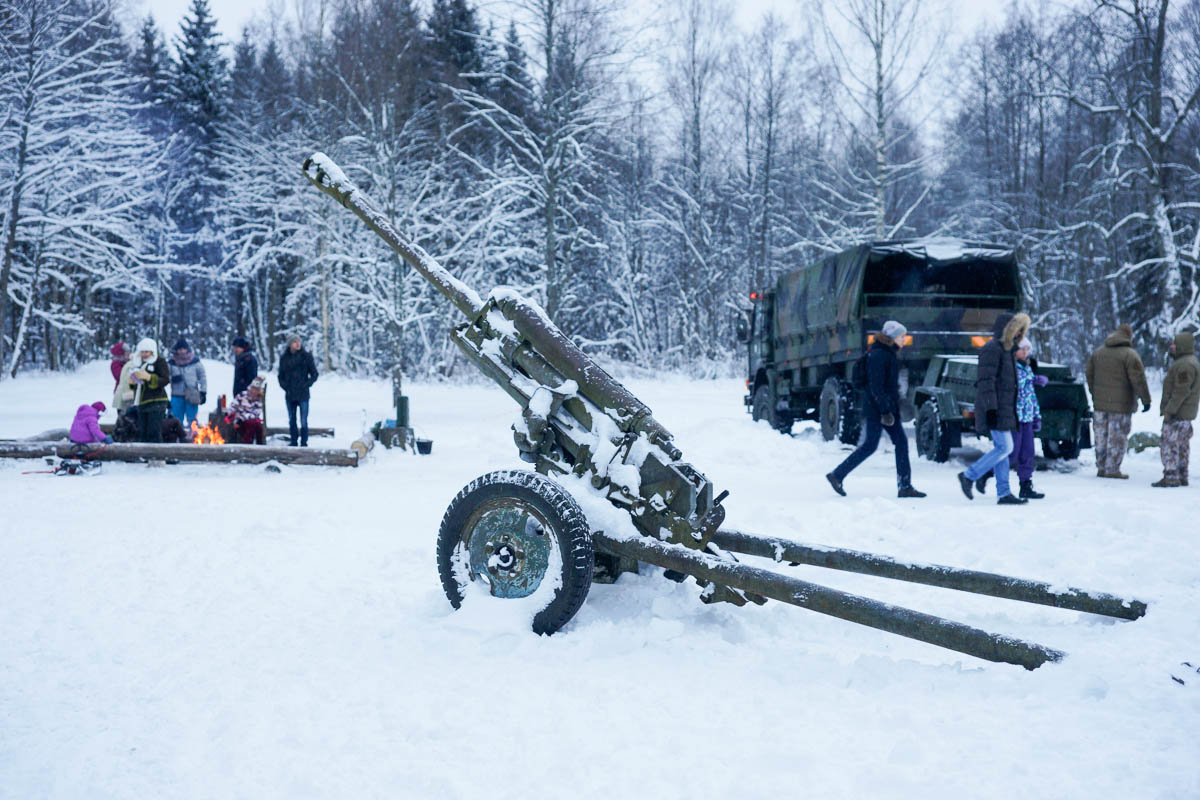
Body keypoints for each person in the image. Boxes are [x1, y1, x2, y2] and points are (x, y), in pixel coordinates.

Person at [826, 320, 926, 498]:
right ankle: (837, 475)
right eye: (902, 336)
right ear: (893, 337)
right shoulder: (880, 355)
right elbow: (876, 386)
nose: (905, 339)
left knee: (897, 444)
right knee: (872, 445)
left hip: (884, 407)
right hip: (879, 409)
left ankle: (904, 486)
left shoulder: (886, 353)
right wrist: (885, 411)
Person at [958, 312, 1030, 505]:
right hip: (994, 408)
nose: (1019, 334)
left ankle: (1004, 492)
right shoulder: (992, 349)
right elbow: (986, 382)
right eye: (1016, 329)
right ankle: (969, 475)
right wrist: (991, 410)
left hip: (1003, 408)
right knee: (1005, 447)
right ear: (1007, 330)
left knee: (1004, 450)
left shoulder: (1007, 351)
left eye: (1021, 331)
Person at [1085, 323, 1151, 479]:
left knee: (1101, 435)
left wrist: (1095, 394)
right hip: (1121, 406)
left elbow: (1089, 374)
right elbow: (1138, 379)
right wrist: (1145, 399)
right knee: (1117, 436)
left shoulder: (1098, 353)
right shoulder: (1130, 355)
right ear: (1129, 336)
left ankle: (1101, 467)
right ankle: (1112, 469)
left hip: (1100, 404)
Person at [1153, 332, 1198, 488]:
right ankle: (1181, 475)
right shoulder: (1189, 362)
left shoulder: (1184, 365)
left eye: (1175, 344)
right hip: (1185, 413)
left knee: (1170, 443)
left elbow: (1181, 391)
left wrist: (1169, 410)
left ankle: (1171, 476)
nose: (1172, 346)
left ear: (1182, 346)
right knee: (1182, 444)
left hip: (1178, 414)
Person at [1010, 337, 1050, 499]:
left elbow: (1031, 397)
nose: (1025, 352)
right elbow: (1016, 384)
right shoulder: (1012, 368)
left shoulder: (1027, 368)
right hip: (1015, 417)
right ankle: (986, 474)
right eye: (1022, 349)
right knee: (1011, 453)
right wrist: (1034, 379)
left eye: (1027, 349)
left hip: (1026, 417)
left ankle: (1025, 485)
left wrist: (1036, 416)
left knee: (1028, 453)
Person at [278, 334, 319, 447]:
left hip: (303, 393)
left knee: (304, 420)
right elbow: (280, 376)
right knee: (292, 419)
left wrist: (307, 384)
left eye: (299, 341)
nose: (297, 344)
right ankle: (294, 441)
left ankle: (304, 442)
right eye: (295, 342)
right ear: (290, 344)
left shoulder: (306, 357)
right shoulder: (284, 358)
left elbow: (314, 374)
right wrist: (285, 386)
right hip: (290, 393)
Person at [130, 338, 171, 443]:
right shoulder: (137, 364)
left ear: (152, 351)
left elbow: (166, 379)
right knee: (143, 431)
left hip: (157, 401)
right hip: (142, 402)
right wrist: (133, 383)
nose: (144, 354)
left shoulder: (159, 362)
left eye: (146, 352)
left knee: (154, 431)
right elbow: (138, 386)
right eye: (142, 352)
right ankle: (144, 455)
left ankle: (156, 455)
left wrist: (150, 378)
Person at [168, 338, 207, 427]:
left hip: (192, 395)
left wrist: (203, 392)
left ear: (187, 349)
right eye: (179, 349)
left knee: (192, 420)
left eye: (183, 349)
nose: (182, 351)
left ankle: (194, 439)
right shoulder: (171, 363)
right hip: (176, 395)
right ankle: (177, 438)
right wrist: (172, 379)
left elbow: (202, 377)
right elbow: (165, 377)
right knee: (176, 420)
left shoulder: (195, 362)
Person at [229, 375, 266, 444]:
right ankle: (247, 444)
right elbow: (233, 406)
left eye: (256, 389)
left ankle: (256, 444)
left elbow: (255, 414)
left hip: (248, 421)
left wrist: (241, 419)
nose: (254, 391)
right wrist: (231, 416)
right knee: (253, 424)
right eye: (253, 388)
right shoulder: (242, 395)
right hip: (238, 420)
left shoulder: (259, 400)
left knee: (256, 424)